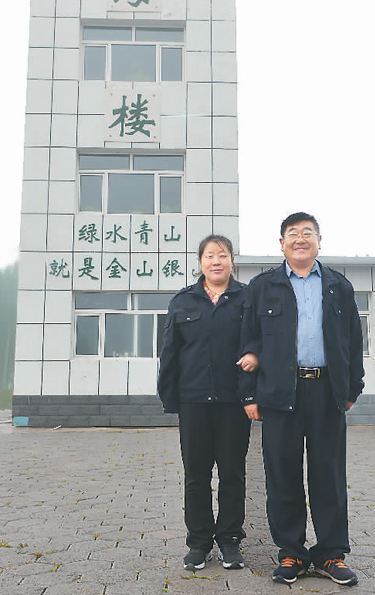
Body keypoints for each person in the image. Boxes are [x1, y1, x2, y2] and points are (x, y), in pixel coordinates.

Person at [237, 212, 364, 587]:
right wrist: (249, 393)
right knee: (282, 474)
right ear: (282, 244)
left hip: (327, 392)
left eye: (308, 233)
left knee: (329, 475)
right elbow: (248, 340)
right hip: (279, 393)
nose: (300, 238)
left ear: (319, 241)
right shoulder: (263, 286)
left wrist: (351, 388)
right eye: (293, 233)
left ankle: (330, 554)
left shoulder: (339, 286)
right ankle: (291, 551)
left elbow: (353, 339)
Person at [158, 234, 251, 573]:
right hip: (193, 400)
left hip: (233, 402)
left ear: (231, 261)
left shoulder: (247, 299)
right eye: (210, 255)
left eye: (222, 255)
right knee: (196, 475)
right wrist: (170, 397)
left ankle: (229, 540)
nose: (216, 261)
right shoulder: (183, 301)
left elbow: (257, 344)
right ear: (200, 262)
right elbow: (170, 352)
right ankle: (198, 543)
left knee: (232, 473)